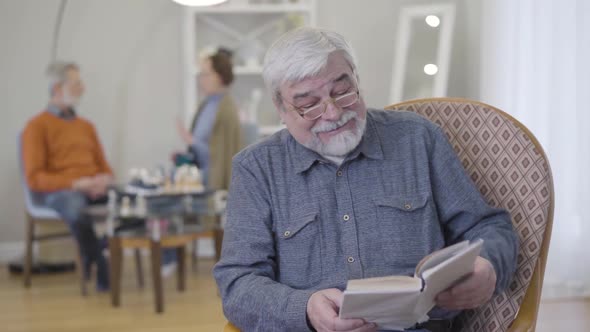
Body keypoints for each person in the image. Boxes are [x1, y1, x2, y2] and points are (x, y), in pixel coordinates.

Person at [213, 27, 519, 332]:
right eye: (308, 104)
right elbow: (237, 283)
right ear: (281, 108)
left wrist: (489, 266)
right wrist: (305, 309)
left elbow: (489, 227)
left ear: (356, 79)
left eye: (342, 91)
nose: (332, 113)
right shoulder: (256, 169)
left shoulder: (418, 138)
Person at [22, 61, 112, 291]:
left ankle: (101, 254)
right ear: (57, 88)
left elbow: (106, 168)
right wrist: (75, 184)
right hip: (61, 192)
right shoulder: (36, 126)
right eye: (77, 83)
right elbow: (34, 178)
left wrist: (103, 180)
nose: (83, 88)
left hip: (93, 189)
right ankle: (102, 267)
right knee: (76, 207)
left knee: (128, 200)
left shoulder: (86, 126)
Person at [175, 47, 242, 190]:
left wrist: (191, 141)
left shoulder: (226, 109)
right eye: (200, 74)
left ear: (219, 77)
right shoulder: (206, 105)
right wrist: (187, 154)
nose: (201, 79)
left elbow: (221, 157)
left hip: (213, 186)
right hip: (199, 180)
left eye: (205, 74)